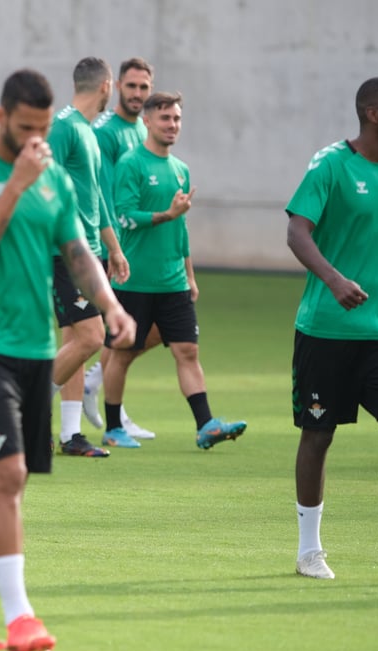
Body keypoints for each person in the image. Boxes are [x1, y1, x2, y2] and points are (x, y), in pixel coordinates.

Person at [0, 69, 135, 651]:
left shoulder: (54, 178)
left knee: (9, 484)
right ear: (1, 118)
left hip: (33, 347)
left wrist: (110, 306)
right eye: (26, 128)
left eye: (44, 130)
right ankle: (20, 616)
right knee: (8, 477)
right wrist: (15, 186)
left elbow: (77, 251)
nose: (36, 140)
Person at [285, 76, 378, 583]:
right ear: (372, 114)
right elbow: (297, 231)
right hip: (327, 328)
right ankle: (309, 550)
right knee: (318, 434)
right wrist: (334, 280)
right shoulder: (330, 164)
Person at [102, 91, 247, 450]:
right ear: (147, 122)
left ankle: (206, 425)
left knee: (187, 351)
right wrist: (166, 214)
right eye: (165, 118)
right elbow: (124, 216)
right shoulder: (131, 164)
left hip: (173, 283)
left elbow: (180, 228)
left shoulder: (181, 169)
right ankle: (113, 427)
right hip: (134, 281)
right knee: (121, 354)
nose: (172, 125)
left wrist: (190, 275)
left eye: (177, 118)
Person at [45, 56, 128, 457]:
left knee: (75, 341)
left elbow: (97, 198)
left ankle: (70, 435)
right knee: (93, 337)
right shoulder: (63, 127)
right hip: (68, 254)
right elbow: (43, 185)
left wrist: (114, 248)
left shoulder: (88, 131)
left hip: (91, 255)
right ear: (106, 86)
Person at [87, 57, 160, 442]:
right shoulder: (105, 132)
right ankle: (102, 404)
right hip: (111, 244)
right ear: (117, 87)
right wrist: (112, 246)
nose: (137, 93)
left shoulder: (143, 129)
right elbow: (100, 191)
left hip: (137, 246)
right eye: (131, 86)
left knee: (157, 327)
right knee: (116, 327)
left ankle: (98, 383)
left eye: (143, 87)